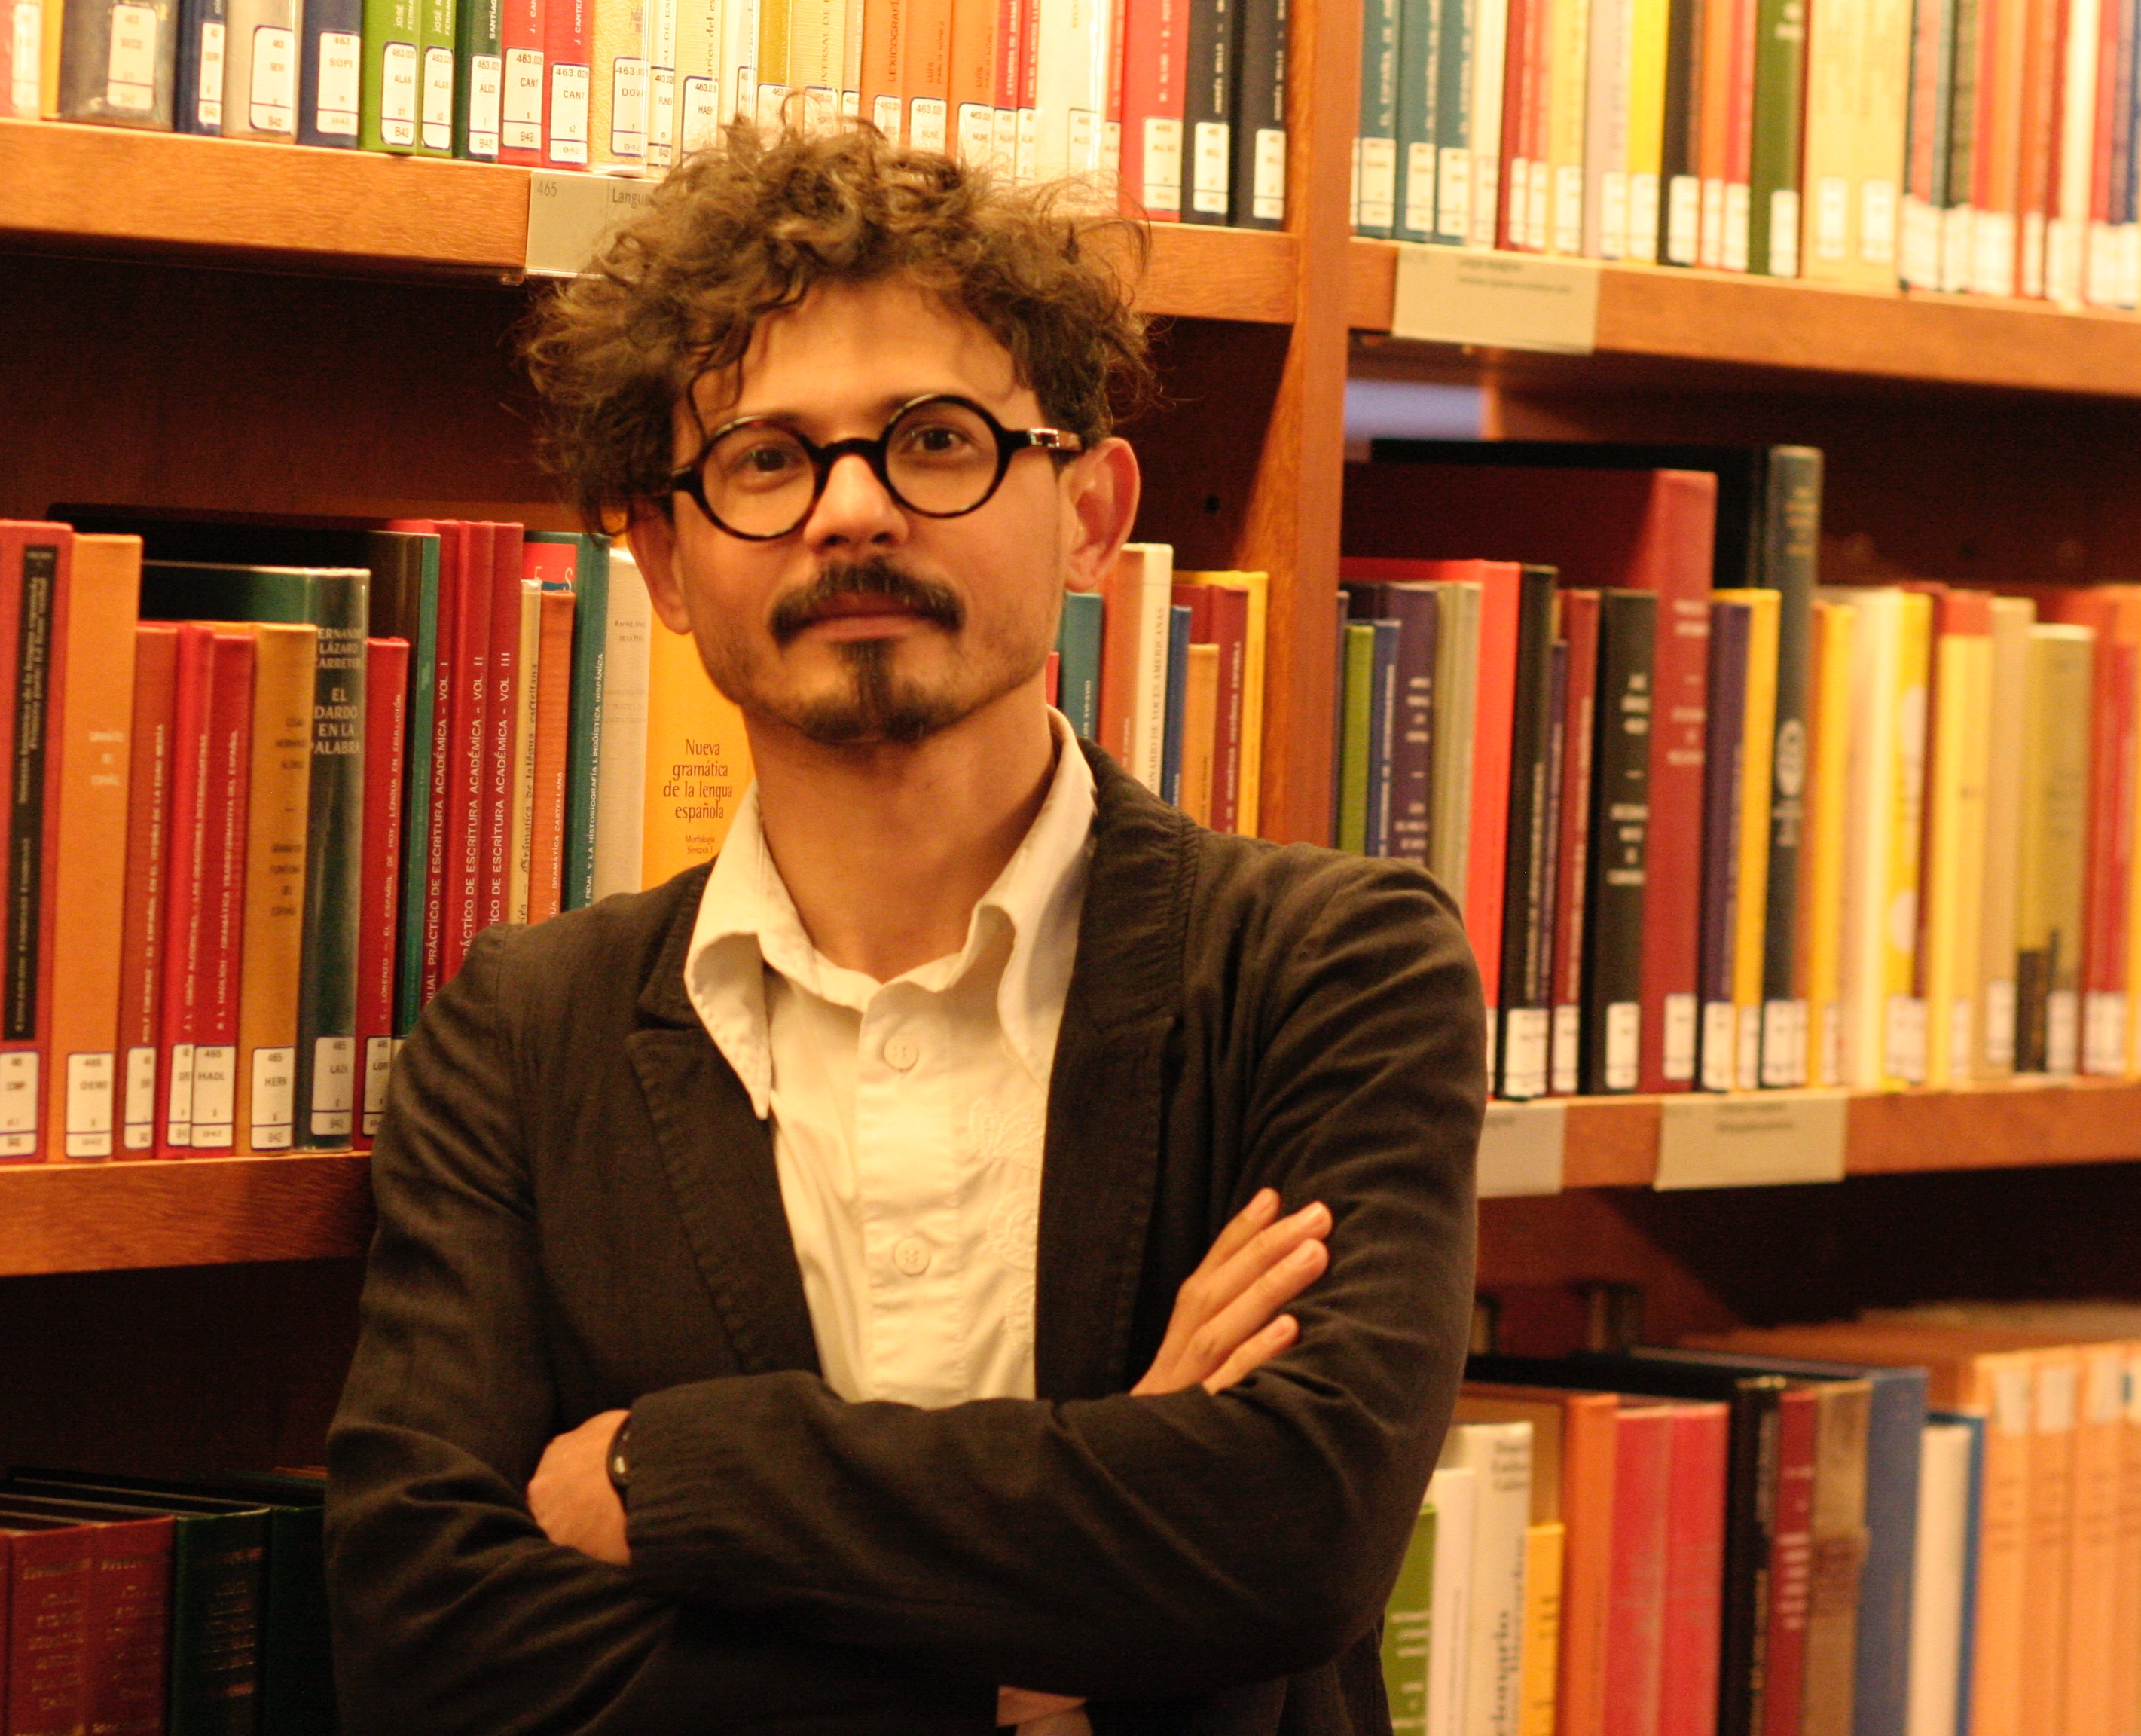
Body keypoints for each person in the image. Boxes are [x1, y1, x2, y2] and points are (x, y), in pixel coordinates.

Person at [327, 120, 1486, 1736]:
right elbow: (429, 1644)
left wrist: (676, 1472)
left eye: (936, 442)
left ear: (1090, 511)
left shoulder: (1328, 970)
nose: (853, 511)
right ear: (663, 561)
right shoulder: (527, 1037)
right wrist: (1044, 1650)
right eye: (766, 460)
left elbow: (1296, 1532)